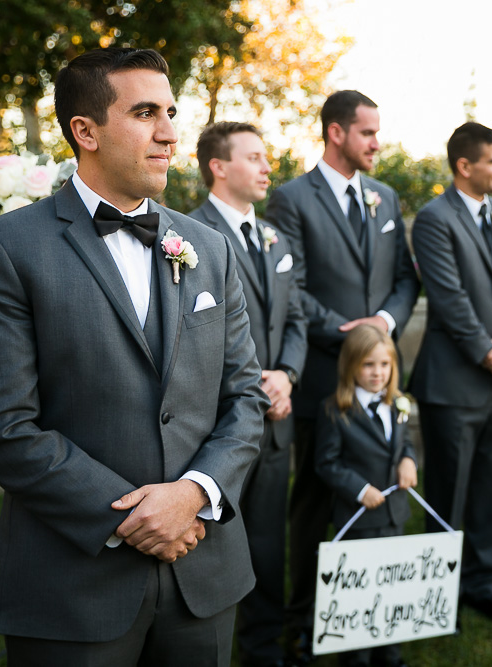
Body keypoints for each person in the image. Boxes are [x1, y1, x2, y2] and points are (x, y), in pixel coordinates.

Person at [0, 48, 268, 666]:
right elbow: (2, 427)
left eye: (171, 113)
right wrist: (136, 516)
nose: (169, 133)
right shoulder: (8, 249)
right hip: (73, 584)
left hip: (202, 573)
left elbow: (244, 396)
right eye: (145, 113)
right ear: (85, 131)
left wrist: (193, 493)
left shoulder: (208, 246)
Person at [265, 89, 419, 661]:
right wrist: (349, 332)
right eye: (368, 132)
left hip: (378, 378)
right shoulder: (291, 200)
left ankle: (372, 614)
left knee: (379, 495)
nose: (377, 142)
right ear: (336, 133)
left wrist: (382, 324)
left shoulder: (384, 196)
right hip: (321, 376)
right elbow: (292, 288)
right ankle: (302, 621)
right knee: (312, 502)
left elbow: (406, 279)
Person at [188, 121, 307, 667]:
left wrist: (286, 374)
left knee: (268, 542)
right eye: (255, 158)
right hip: (218, 426)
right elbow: (185, 334)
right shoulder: (186, 236)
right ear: (219, 166)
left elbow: (296, 315)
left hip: (277, 418)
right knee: (211, 548)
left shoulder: (276, 236)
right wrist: (255, 383)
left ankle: (264, 650)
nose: (267, 168)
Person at [409, 122, 492, 622]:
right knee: (449, 493)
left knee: (489, 487)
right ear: (465, 166)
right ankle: (437, 594)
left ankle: (482, 583)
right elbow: (449, 299)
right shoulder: (435, 219)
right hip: (453, 385)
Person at [315, 324, 417, 667]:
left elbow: (406, 445)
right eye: (369, 365)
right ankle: (356, 656)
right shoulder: (335, 410)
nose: (378, 373)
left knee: (390, 587)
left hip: (394, 516)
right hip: (358, 519)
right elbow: (325, 463)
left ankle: (390, 654)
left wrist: (408, 460)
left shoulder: (397, 405)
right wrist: (359, 489)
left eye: (385, 365)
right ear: (351, 366)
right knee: (360, 593)